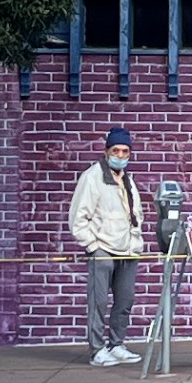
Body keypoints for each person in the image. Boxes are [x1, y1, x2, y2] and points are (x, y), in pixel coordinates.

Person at [69, 125, 148, 367]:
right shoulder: (92, 177)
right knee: (98, 302)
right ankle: (96, 350)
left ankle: (116, 344)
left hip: (127, 249)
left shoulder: (128, 180)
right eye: (116, 150)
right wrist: (93, 246)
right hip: (103, 249)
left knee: (125, 301)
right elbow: (78, 218)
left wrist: (136, 243)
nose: (121, 156)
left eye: (126, 151)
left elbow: (135, 213)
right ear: (106, 151)